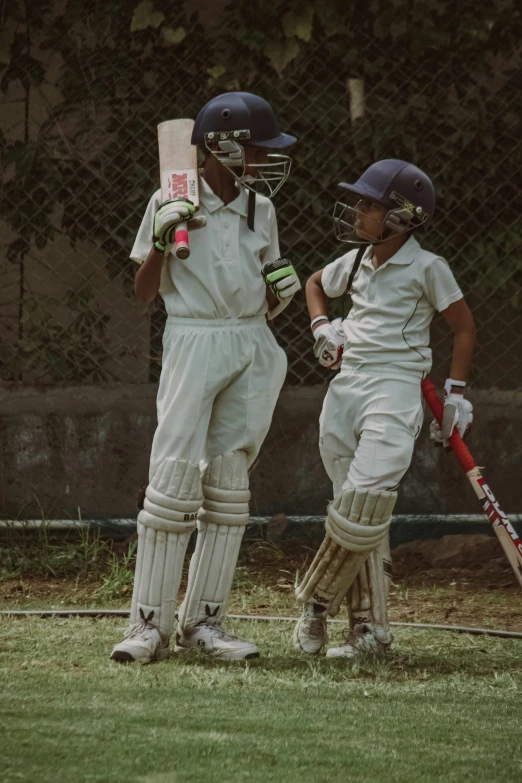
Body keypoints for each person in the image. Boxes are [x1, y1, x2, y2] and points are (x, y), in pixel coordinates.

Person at [111, 92, 300, 663]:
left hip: (250, 341)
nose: (268, 158)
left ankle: (206, 624)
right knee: (171, 482)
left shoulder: (259, 209)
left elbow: (263, 293)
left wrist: (280, 295)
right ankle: (147, 625)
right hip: (193, 340)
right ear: (221, 146)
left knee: (229, 484)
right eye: (260, 148)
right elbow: (145, 294)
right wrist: (163, 245)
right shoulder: (169, 201)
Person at [293, 159, 476, 658]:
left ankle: (313, 608)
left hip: (394, 389)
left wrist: (455, 395)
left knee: (365, 502)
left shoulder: (428, 267)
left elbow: (463, 327)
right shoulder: (354, 260)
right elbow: (313, 285)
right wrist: (322, 328)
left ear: (402, 215)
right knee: (352, 510)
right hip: (345, 388)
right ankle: (369, 632)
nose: (357, 210)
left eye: (369, 204)